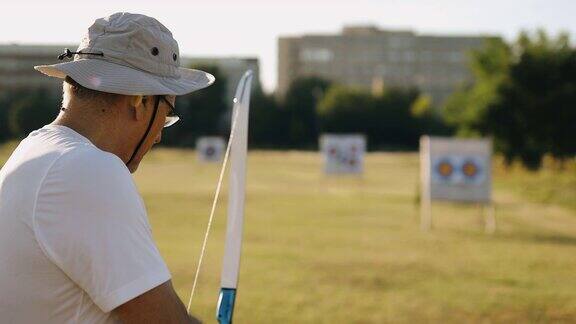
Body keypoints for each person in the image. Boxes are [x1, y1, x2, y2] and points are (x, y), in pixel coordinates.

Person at [0, 12, 214, 323]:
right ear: (139, 102)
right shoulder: (87, 170)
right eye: (166, 112)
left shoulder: (34, 151)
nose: (157, 136)